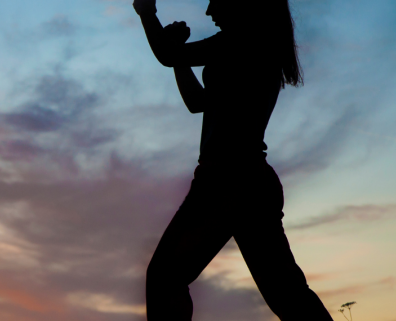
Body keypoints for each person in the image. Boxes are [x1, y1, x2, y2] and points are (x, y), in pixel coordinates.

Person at [133, 0, 334, 320]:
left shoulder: (239, 42)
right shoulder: (253, 46)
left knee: (165, 277)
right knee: (289, 294)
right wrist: (177, 54)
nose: (210, 11)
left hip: (227, 180)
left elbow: (167, 56)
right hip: (251, 181)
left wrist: (146, 12)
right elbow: (197, 102)